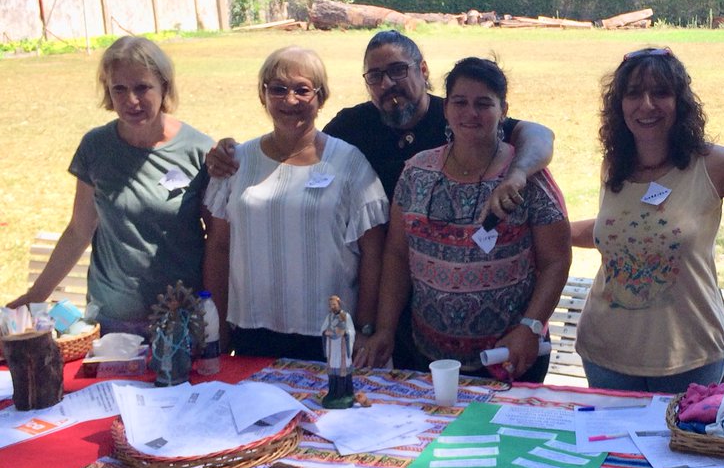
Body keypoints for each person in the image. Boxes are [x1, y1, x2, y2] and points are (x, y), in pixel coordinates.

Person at [205, 31, 556, 369]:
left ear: (423, 70)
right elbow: (299, 147)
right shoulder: (354, 127)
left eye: (398, 70)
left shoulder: (464, 117)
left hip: (496, 342)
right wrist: (227, 153)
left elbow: (538, 134)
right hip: (407, 318)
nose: (387, 83)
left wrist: (518, 174)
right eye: (375, 76)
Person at [570, 47, 724, 393]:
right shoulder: (615, 166)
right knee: (613, 450)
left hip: (689, 356)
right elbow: (622, 229)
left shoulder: (712, 165)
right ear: (619, 105)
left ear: (680, 102)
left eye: (660, 92)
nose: (646, 105)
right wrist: (551, 232)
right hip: (604, 354)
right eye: (633, 94)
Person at [358, 57, 570, 382]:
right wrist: (385, 328)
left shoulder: (527, 177)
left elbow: (556, 260)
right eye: (460, 102)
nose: (471, 113)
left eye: (483, 104)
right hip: (426, 358)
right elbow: (397, 255)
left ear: (503, 109)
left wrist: (531, 326)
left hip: (509, 358)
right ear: (446, 108)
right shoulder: (416, 172)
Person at [6, 36, 212, 339]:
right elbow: (79, 230)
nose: (132, 100)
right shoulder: (96, 147)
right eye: (119, 89)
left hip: (182, 321)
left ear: (164, 86)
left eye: (142, 87)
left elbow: (218, 242)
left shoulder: (199, 151)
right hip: (113, 323)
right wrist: (36, 295)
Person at [203, 46, 388, 361]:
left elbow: (374, 253)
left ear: (320, 98)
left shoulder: (350, 164)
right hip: (252, 333)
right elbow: (219, 247)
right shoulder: (235, 163)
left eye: (303, 90)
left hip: (330, 334)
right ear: (263, 96)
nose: (290, 100)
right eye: (278, 89)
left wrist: (366, 328)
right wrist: (217, 330)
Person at [322, 295, 355, 408]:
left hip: (342, 349)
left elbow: (351, 331)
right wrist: (326, 333)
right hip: (332, 348)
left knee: (343, 372)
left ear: (339, 304)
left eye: (334, 304)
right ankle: (332, 392)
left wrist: (345, 333)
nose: (333, 307)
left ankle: (343, 393)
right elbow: (323, 329)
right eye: (331, 305)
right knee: (332, 372)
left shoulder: (345, 316)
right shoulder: (329, 317)